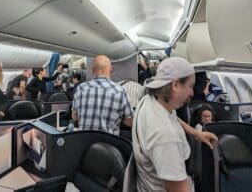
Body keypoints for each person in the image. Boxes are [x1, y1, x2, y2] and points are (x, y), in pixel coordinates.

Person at [132, 57, 217, 192]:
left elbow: (173, 118)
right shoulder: (166, 136)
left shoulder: (151, 100)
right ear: (175, 85)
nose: (192, 92)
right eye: (190, 86)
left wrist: (197, 133)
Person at [72, 55, 133, 135]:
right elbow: (130, 121)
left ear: (93, 70)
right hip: (110, 144)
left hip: (84, 144)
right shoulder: (120, 91)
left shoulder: (80, 88)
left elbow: (75, 117)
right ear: (110, 69)